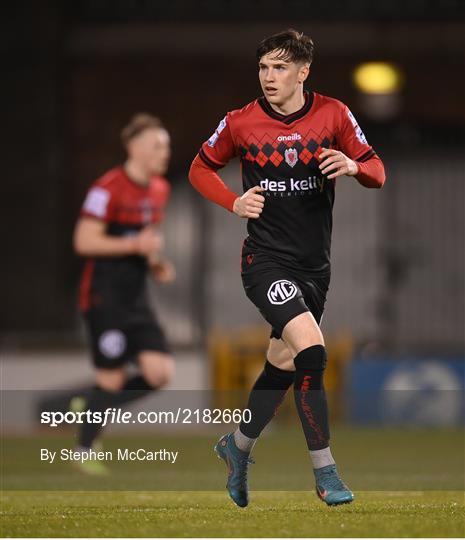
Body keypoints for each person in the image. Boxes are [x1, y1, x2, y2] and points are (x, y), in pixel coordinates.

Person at [189, 29, 385, 507]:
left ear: (303, 71)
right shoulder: (240, 122)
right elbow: (199, 168)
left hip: (315, 268)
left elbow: (377, 171)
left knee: (280, 363)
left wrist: (354, 167)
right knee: (313, 352)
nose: (269, 77)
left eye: (279, 67)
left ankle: (236, 447)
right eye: (263, 68)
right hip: (265, 262)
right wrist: (234, 202)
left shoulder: (334, 114)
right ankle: (326, 473)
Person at [73, 113, 175, 474]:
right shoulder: (107, 188)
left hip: (136, 298)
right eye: (156, 146)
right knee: (112, 379)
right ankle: (84, 449)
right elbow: (84, 240)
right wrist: (135, 245)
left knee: (160, 372)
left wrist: (156, 262)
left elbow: (145, 242)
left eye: (166, 145)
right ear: (134, 148)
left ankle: (90, 404)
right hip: (104, 297)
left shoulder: (159, 189)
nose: (165, 152)